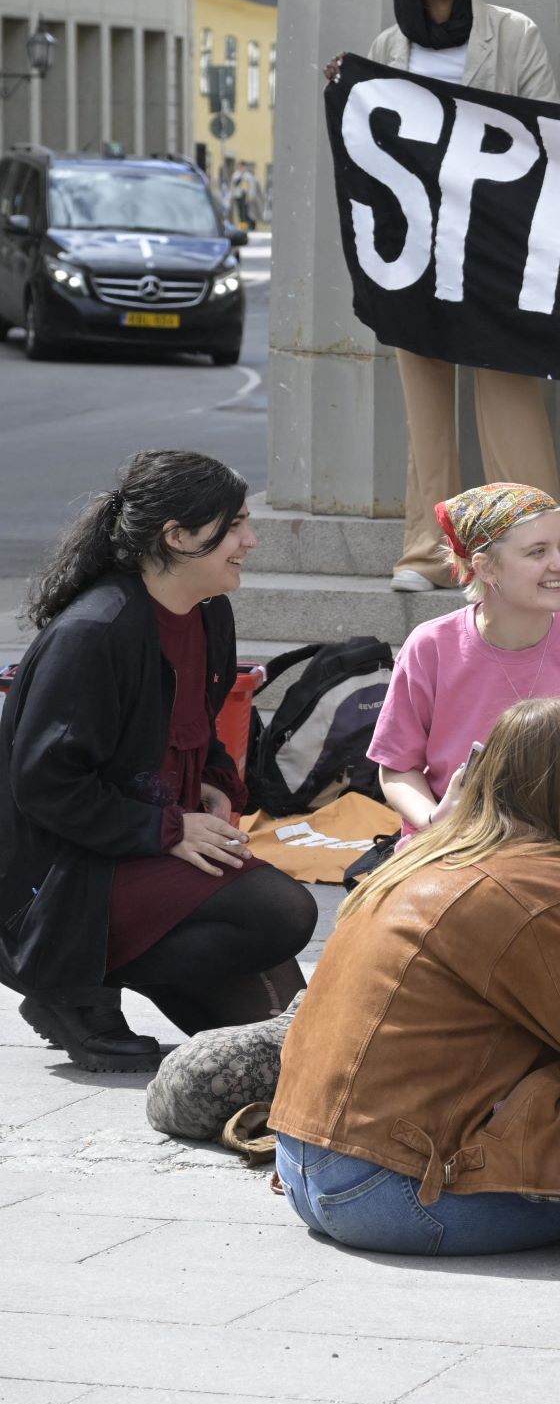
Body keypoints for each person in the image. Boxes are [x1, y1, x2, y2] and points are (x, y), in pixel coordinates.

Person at [269, 699, 560, 1254]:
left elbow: (505, 974)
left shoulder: (428, 854)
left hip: (309, 1165)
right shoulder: (546, 885)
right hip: (400, 1193)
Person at [333, 0, 560, 600]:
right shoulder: (388, 46)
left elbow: (547, 126)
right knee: (425, 397)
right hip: (414, 241)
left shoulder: (511, 33)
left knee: (509, 391)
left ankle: (551, 553)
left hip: (492, 240)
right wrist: (349, 85)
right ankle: (428, 553)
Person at [0, 451, 311, 1071]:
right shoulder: (97, 631)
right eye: (235, 525)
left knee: (295, 1047)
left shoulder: (208, 611)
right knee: (281, 910)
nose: (250, 540)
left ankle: (97, 985)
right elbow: (45, 784)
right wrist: (169, 830)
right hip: (63, 881)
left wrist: (215, 785)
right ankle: (68, 984)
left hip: (139, 850)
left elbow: (195, 726)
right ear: (177, 536)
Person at [366, 482, 560, 946]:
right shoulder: (431, 645)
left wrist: (558, 847)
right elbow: (397, 768)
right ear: (485, 567)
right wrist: (436, 822)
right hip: (451, 854)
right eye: (538, 552)